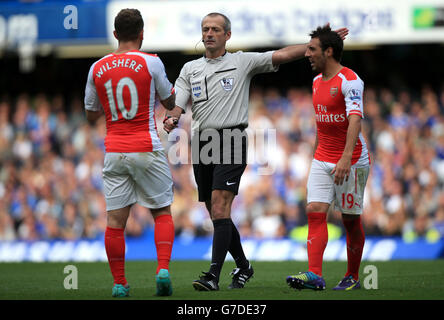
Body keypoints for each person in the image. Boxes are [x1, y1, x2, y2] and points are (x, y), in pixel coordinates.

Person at [163, 13, 348, 291]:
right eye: (205, 29)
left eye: (215, 29)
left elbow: (283, 55)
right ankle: (244, 265)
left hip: (232, 137)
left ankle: (212, 275)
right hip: (202, 142)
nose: (209, 33)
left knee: (219, 205)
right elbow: (178, 102)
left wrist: (314, 45)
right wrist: (172, 117)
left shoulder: (241, 61)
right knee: (216, 213)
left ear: (228, 35)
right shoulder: (190, 69)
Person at [84, 8, 176, 297]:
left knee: (114, 223)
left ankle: (119, 283)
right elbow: (170, 99)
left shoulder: (97, 68)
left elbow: (90, 115)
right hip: (146, 146)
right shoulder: (152, 63)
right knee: (161, 212)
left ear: (114, 34)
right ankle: (162, 270)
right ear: (141, 34)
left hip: (114, 150)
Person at [286, 25, 371, 291]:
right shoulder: (315, 82)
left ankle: (353, 276)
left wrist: (345, 158)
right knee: (314, 211)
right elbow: (322, 124)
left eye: (312, 49)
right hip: (322, 158)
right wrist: (315, 156)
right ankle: (315, 275)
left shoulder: (350, 80)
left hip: (352, 159)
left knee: (350, 219)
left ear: (329, 51)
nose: (307, 54)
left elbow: (355, 119)